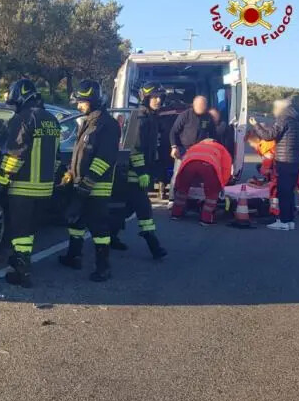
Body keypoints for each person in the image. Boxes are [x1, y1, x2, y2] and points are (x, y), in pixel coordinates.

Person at [0, 78, 60, 287]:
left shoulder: (23, 119)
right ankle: (21, 261)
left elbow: (14, 156)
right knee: (29, 230)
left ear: (20, 97)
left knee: (20, 232)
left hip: (23, 187)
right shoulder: (52, 120)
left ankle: (21, 271)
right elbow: (56, 158)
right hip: (44, 188)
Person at [58, 79, 120, 282]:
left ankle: (103, 267)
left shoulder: (107, 125)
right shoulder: (88, 123)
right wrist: (70, 173)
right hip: (81, 183)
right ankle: (73, 256)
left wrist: (89, 182)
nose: (79, 106)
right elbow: (80, 154)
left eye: (81, 102)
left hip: (97, 187)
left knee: (99, 228)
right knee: (76, 223)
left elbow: (105, 158)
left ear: (92, 101)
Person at [110, 83, 167, 259]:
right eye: (154, 97)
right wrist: (141, 172)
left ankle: (111, 236)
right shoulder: (140, 117)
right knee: (144, 209)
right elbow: (134, 149)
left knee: (125, 210)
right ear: (146, 98)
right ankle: (154, 245)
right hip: (132, 174)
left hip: (141, 173)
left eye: (160, 97)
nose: (158, 100)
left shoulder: (151, 117)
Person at [250, 97, 299, 230]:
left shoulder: (284, 119)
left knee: (283, 191)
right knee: (290, 191)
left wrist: (255, 125)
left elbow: (268, 135)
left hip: (284, 160)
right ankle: (290, 221)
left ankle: (284, 221)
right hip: (296, 160)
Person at [170, 139, 232, 225]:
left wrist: (180, 182)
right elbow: (226, 168)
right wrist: (221, 185)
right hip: (208, 166)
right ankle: (206, 219)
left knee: (182, 190)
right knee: (212, 193)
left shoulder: (195, 146)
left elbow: (184, 162)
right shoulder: (221, 148)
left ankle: (176, 214)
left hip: (188, 165)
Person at [168, 95, 214, 200]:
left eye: (203, 106)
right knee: (178, 174)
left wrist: (212, 143)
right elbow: (173, 131)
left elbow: (212, 133)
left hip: (200, 151)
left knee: (197, 175)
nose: (201, 108)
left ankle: (193, 199)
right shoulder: (185, 115)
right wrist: (174, 147)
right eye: (199, 105)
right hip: (184, 150)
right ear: (194, 105)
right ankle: (172, 199)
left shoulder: (208, 117)